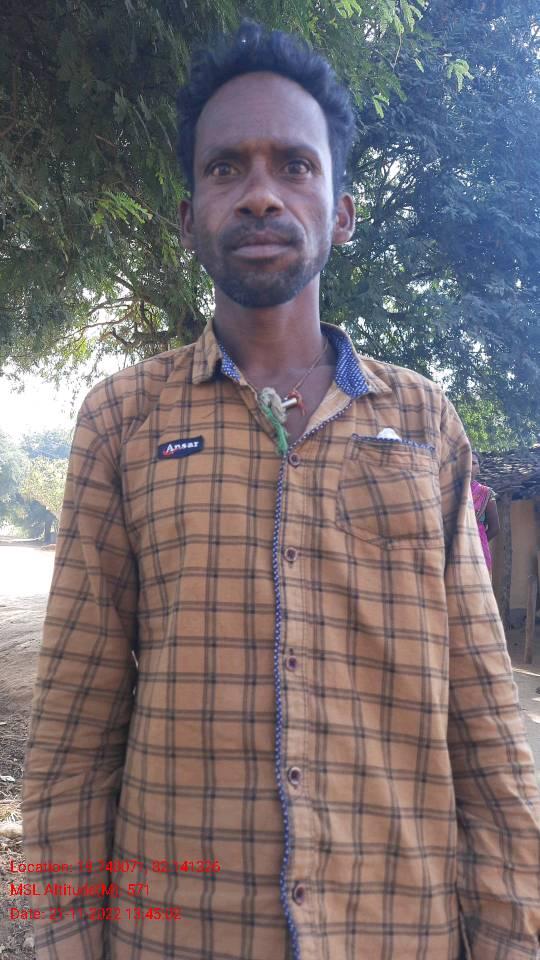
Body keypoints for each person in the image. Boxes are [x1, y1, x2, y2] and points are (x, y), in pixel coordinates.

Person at [22, 20, 540, 960]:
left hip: (400, 932)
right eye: (227, 168)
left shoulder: (424, 423)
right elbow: (71, 739)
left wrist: (513, 931)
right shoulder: (122, 420)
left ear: (341, 212)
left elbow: (483, 715)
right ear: (189, 217)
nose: (261, 193)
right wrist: (59, 934)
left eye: (295, 166)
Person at [471, 450, 500, 573]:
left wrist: (477, 543)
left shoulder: (486, 493)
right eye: (465, 461)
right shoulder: (449, 492)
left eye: (473, 463)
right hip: (451, 549)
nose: (469, 466)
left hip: (478, 552)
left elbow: (495, 528)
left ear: (479, 469)